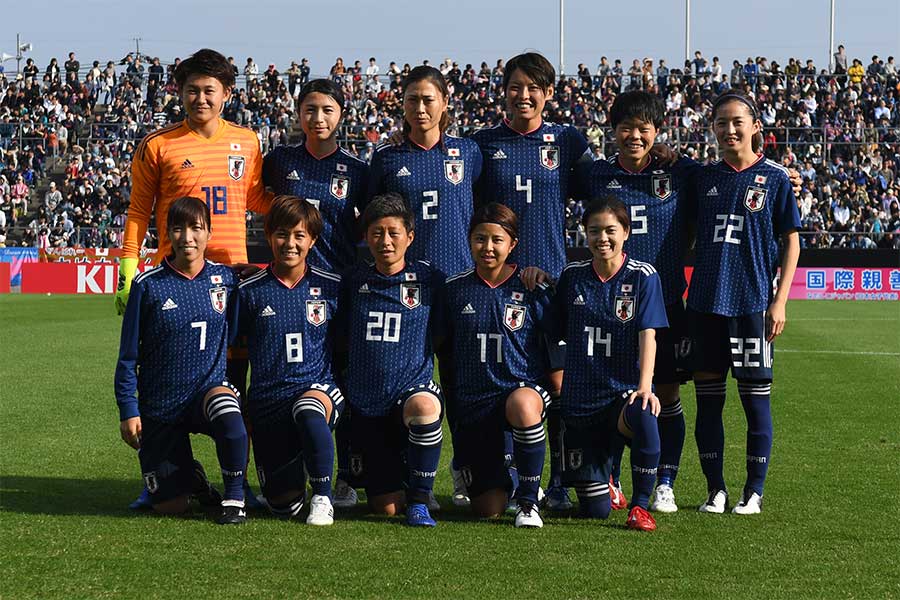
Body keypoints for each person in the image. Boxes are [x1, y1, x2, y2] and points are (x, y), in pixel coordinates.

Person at [117, 47, 271, 509]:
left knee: (233, 389)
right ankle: (173, 474)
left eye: (209, 90)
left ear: (226, 93)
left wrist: (308, 205)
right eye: (191, 90)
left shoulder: (247, 141)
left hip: (232, 284)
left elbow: (258, 198)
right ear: (179, 93)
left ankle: (237, 489)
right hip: (176, 281)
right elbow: (138, 211)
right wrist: (128, 268)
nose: (200, 98)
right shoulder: (158, 144)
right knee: (166, 379)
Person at [471, 52, 591, 512]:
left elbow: (604, 180)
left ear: (548, 94)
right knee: (501, 379)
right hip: (497, 282)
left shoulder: (566, 141)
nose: (524, 96)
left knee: (558, 385)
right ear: (503, 91)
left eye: (533, 88)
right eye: (515, 87)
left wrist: (665, 157)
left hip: (551, 284)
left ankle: (558, 480)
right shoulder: (483, 144)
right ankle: (507, 477)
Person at [575, 90, 696, 513]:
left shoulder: (680, 173)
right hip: (607, 310)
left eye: (644, 128)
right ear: (613, 131)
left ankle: (665, 480)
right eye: (626, 127)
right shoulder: (594, 175)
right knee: (612, 396)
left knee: (664, 395)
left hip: (664, 307)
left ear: (657, 131)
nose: (634, 136)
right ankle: (610, 476)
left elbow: (728, 180)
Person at [367, 65, 481, 508]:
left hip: (457, 288)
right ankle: (402, 474)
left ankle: (464, 468)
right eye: (412, 99)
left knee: (459, 383)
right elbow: (370, 217)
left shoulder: (470, 152)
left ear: (445, 103)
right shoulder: (388, 159)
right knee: (399, 381)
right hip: (404, 290)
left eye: (428, 99)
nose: (420, 108)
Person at [685, 89, 800, 515]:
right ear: (712, 129)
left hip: (752, 305)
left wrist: (780, 301)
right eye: (721, 122)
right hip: (705, 306)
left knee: (755, 402)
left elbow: (791, 242)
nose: (729, 129)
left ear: (755, 127)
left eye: (737, 122)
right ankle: (715, 490)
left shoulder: (775, 178)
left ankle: (754, 491)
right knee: (709, 402)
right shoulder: (702, 178)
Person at [262, 78, 368, 509]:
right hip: (286, 288)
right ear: (298, 113)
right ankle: (286, 467)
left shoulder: (358, 170)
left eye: (326, 109)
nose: (317, 118)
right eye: (309, 109)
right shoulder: (279, 161)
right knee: (282, 374)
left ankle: (344, 474)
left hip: (336, 291)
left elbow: (371, 225)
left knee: (340, 379)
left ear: (341, 113)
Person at [114, 196, 249, 525]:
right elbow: (128, 356)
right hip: (161, 405)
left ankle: (234, 497)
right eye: (178, 228)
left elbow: (238, 331)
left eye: (196, 228)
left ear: (209, 233)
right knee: (170, 507)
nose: (187, 237)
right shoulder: (148, 287)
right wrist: (128, 411)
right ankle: (192, 478)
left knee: (228, 409)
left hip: (206, 392)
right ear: (166, 233)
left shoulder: (227, 280)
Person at [549, 197, 668, 531]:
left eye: (610, 230)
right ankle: (608, 481)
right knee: (596, 511)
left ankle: (641, 506)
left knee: (644, 411)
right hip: (581, 402)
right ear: (584, 234)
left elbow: (648, 335)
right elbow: (551, 328)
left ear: (626, 232)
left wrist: (645, 386)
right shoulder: (572, 277)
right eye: (594, 231)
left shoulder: (643, 276)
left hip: (622, 394)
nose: (602, 238)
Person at [442, 203, 552, 527]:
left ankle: (529, 502)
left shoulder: (531, 286)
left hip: (521, 392)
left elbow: (556, 336)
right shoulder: (454, 289)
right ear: (469, 239)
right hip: (477, 405)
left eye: (496, 240)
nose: (488, 247)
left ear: (512, 244)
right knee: (487, 509)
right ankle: (512, 477)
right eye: (480, 239)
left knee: (521, 402)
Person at [340, 193, 445, 527]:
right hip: (368, 404)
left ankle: (420, 500)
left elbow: (445, 330)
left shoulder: (431, 280)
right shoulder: (353, 281)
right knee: (384, 508)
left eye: (393, 233)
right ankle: (401, 482)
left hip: (410, 394)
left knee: (425, 408)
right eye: (376, 233)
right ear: (366, 237)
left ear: (409, 237)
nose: (385, 241)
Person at [237, 195, 343, 526]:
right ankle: (295, 477)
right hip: (268, 401)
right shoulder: (249, 290)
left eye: (300, 235)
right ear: (269, 236)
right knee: (283, 507)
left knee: (308, 409)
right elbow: (237, 352)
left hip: (317, 389)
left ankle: (324, 496)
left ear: (312, 239)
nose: (290, 243)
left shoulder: (332, 287)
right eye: (282, 234)